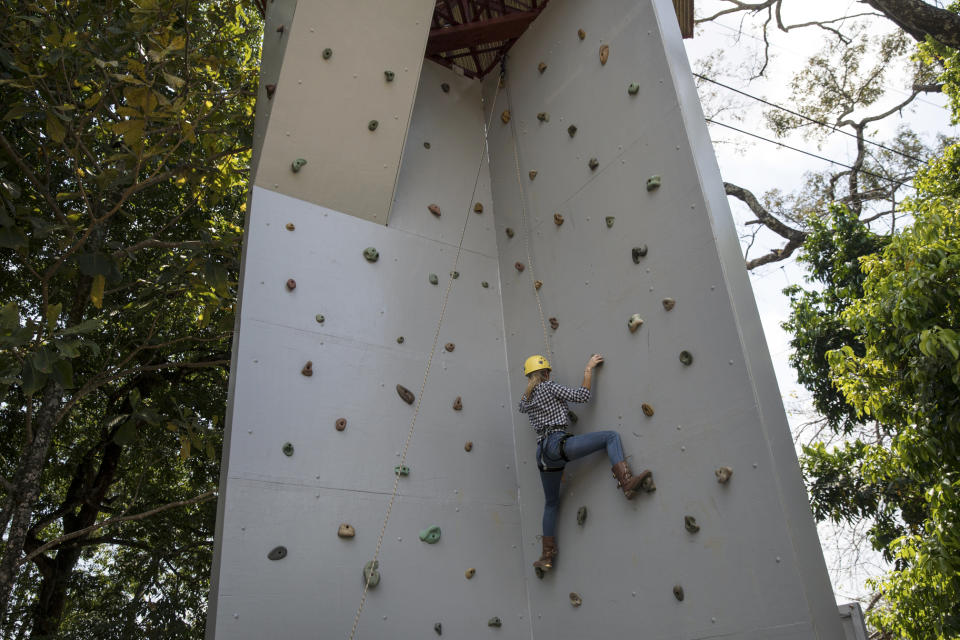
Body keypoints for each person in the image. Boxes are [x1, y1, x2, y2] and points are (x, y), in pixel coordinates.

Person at [518, 353, 652, 577]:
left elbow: (528, 406)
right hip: (556, 443)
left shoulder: (526, 400)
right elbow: (582, 396)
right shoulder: (549, 387)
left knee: (551, 503)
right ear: (546, 373)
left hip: (542, 454)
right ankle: (627, 482)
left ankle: (546, 556)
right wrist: (588, 369)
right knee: (610, 436)